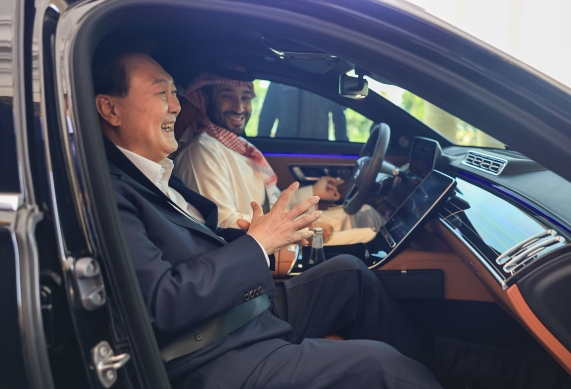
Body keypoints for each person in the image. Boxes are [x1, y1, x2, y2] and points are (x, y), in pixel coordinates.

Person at [93, 39, 441, 388]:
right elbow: (160, 305)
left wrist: (259, 241)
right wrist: (258, 244)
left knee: (351, 275)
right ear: (111, 110)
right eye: (160, 94)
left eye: (175, 91)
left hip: (240, 307)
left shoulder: (158, 175)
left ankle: (436, 371)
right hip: (214, 347)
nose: (175, 106)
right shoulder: (114, 192)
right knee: (383, 367)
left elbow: (201, 242)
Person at [173, 68, 385, 245]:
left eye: (245, 98)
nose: (239, 108)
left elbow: (273, 203)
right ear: (206, 100)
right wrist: (296, 228)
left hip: (275, 237)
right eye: (227, 97)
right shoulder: (202, 153)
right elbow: (222, 224)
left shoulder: (235, 147)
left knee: (363, 214)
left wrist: (314, 191)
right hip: (265, 250)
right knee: (371, 236)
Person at [256, 82, 348, 140]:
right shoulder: (281, 80)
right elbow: (267, 115)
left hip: (317, 148)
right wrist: (261, 147)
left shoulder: (328, 82)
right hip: (286, 147)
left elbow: (339, 117)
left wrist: (343, 147)